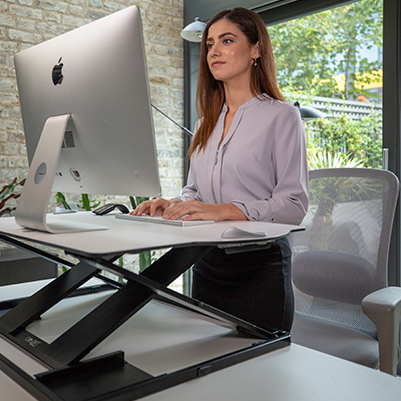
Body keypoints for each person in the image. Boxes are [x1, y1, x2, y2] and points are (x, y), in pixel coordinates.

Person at [132, 7, 309, 332]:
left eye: (227, 40)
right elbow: (194, 193)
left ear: (256, 49)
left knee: (257, 373)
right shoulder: (204, 124)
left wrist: (225, 210)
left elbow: (294, 206)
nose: (214, 50)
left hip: (259, 267)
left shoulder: (282, 117)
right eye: (210, 43)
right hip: (205, 262)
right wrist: (173, 205)